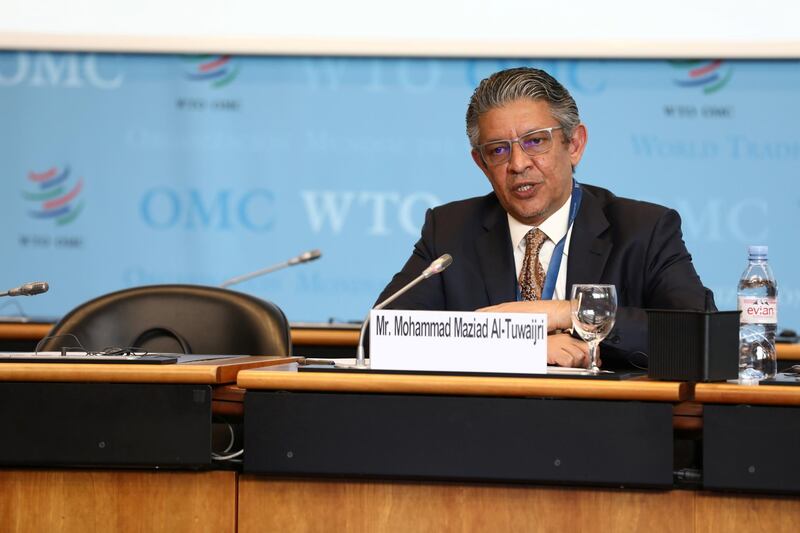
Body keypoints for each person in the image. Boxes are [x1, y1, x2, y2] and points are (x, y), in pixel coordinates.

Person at [375, 67, 713, 369]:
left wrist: (569, 312)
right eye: (498, 150)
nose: (518, 164)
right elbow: (387, 332)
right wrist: (524, 345)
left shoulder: (643, 230)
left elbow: (701, 336)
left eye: (535, 142)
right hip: (481, 425)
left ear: (575, 145)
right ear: (481, 163)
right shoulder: (450, 230)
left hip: (601, 426)